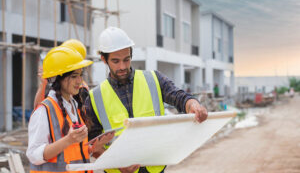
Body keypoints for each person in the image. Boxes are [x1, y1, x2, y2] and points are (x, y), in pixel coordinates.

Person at [85, 27, 208, 173]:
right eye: (116, 61)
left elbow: (179, 96)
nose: (123, 66)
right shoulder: (94, 98)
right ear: (104, 59)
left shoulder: (153, 79)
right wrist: (116, 163)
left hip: (154, 168)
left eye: (127, 59)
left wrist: (193, 104)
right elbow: (92, 145)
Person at [26, 44, 113, 173]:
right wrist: (68, 140)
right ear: (57, 79)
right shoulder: (44, 111)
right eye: (73, 76)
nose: (79, 81)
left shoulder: (74, 106)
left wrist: (94, 147)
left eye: (80, 75)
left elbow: (73, 153)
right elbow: (34, 155)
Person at [34, 39, 90, 109]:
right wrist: (43, 84)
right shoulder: (59, 88)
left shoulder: (80, 90)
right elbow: (39, 109)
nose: (79, 80)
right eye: (74, 76)